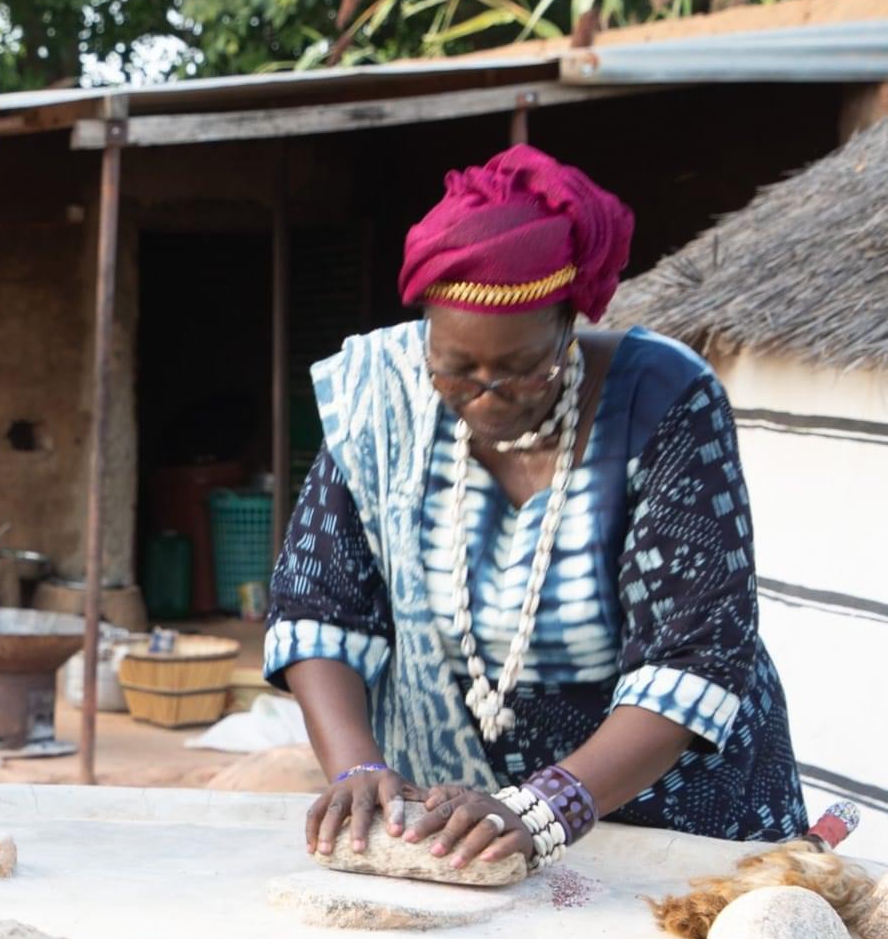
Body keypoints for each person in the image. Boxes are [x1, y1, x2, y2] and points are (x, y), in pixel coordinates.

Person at [266, 144, 805, 875]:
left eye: (522, 370)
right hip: (470, 819)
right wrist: (355, 768)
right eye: (456, 369)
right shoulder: (381, 401)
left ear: (568, 326)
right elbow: (318, 608)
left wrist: (547, 808)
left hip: (679, 812)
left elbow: (696, 658)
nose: (487, 393)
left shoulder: (664, 402)